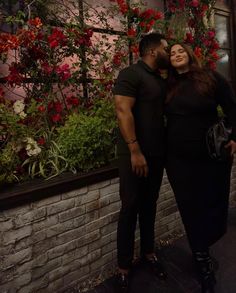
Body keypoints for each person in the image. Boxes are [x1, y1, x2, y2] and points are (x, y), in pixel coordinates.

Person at [165, 43, 236, 293]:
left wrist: (233, 136)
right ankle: (202, 262)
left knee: (212, 202)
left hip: (210, 155)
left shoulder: (210, 77)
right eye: (172, 53)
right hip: (177, 160)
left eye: (180, 50)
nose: (176, 55)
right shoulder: (168, 86)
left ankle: (205, 243)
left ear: (189, 53)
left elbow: (232, 108)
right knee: (189, 206)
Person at [113, 32, 169, 292]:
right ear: (153, 51)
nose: (168, 52)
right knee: (130, 207)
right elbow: (123, 110)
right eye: (166, 48)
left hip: (156, 155)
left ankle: (148, 253)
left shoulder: (158, 78)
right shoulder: (130, 74)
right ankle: (123, 267)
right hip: (134, 154)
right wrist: (135, 150)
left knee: (149, 205)